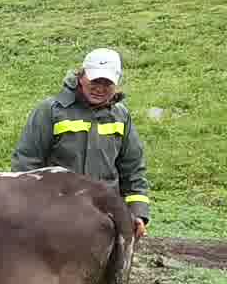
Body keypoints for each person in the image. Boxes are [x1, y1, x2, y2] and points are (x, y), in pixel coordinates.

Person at [10, 46, 152, 239]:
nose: (100, 88)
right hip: (55, 217)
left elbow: (133, 170)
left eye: (107, 82)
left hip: (105, 220)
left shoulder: (121, 116)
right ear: (81, 75)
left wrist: (138, 213)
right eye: (95, 80)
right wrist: (33, 210)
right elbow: (26, 163)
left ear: (116, 84)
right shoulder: (50, 111)